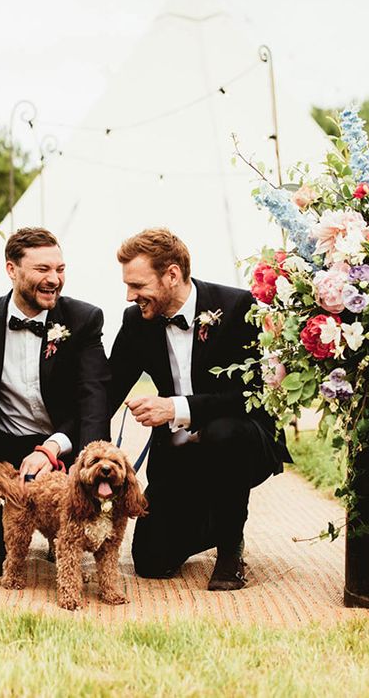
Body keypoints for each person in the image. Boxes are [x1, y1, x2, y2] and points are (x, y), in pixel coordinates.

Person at [108, 228, 290, 591]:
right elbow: (107, 388)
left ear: (172, 275)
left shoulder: (239, 307)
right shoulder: (136, 322)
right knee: (151, 561)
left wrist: (175, 407)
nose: (130, 296)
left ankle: (229, 547)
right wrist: (69, 445)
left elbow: (252, 393)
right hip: (177, 453)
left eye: (138, 285)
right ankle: (213, 514)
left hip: (241, 439)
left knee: (224, 432)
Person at [0, 227, 111, 576]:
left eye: (60, 269)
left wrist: (53, 448)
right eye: (42, 270)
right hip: (5, 436)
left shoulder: (83, 319)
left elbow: (92, 403)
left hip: (61, 441)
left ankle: (62, 531)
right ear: (11, 270)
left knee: (88, 448)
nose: (54, 280)